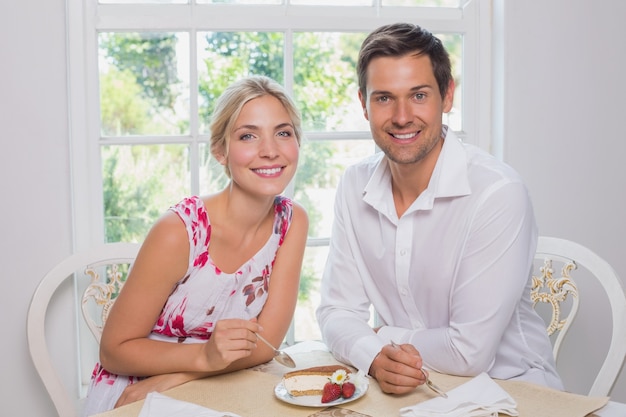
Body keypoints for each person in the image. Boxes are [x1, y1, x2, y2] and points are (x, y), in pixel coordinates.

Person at [316, 23, 563, 395]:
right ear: (363, 104)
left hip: (513, 391)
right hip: (409, 393)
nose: (401, 116)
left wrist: (380, 337)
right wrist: (373, 353)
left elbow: (468, 354)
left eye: (418, 95)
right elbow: (336, 312)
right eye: (384, 98)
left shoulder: (497, 193)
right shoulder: (355, 185)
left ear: (447, 96)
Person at [83, 75, 309, 415]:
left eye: (283, 132)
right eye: (248, 135)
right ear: (220, 151)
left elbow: (265, 345)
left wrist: (186, 373)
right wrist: (202, 359)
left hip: (212, 383)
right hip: (137, 394)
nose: (270, 150)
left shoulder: (292, 222)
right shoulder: (179, 231)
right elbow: (114, 351)